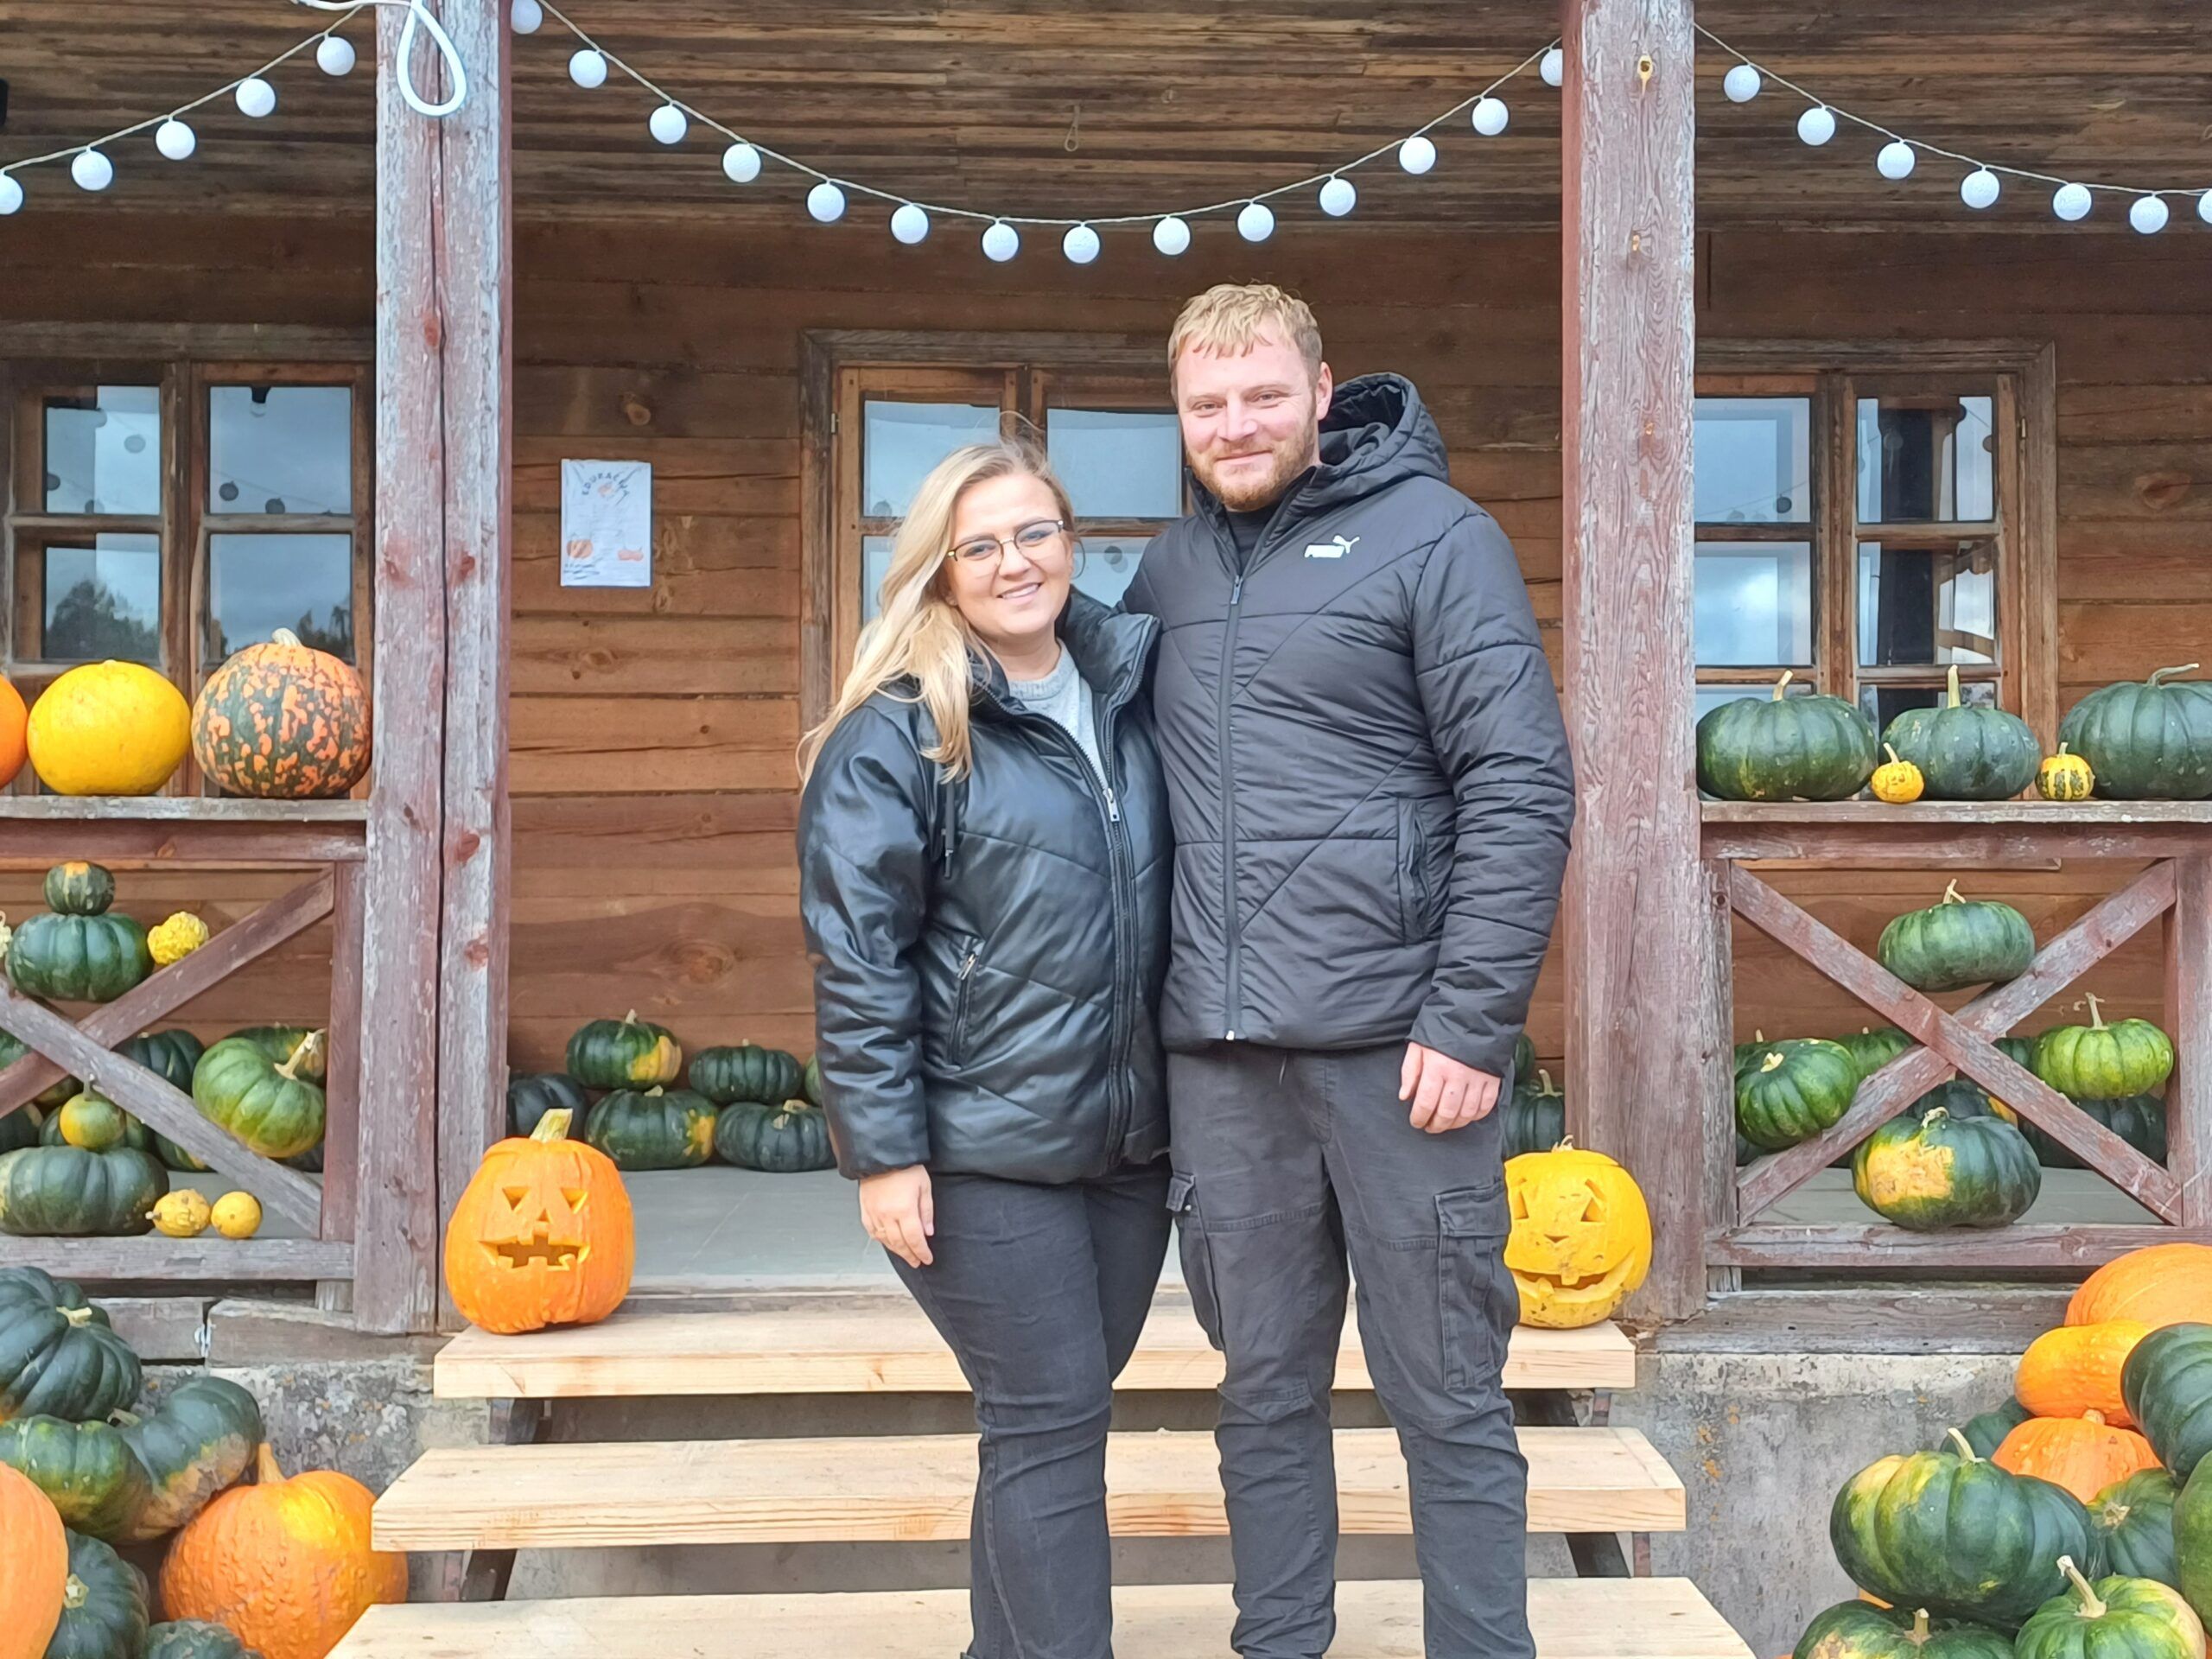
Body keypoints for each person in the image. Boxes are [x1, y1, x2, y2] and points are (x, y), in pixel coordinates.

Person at [1120, 283, 1576, 1659]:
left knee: (1447, 1393)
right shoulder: (1166, 577)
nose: (1235, 425)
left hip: (1404, 1058)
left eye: (1264, 395)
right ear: (1180, 415)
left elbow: (1520, 787)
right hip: (1223, 1066)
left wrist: (1473, 1022)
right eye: (1207, 404)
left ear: (1323, 392)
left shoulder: (1439, 538)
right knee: (1261, 1393)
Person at [798, 437, 1173, 1659]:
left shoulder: (1131, 696)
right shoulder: (896, 734)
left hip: (1123, 1150)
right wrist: (883, 1153)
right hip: (975, 1150)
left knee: (1042, 1426)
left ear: (1071, 543)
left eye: (1034, 533)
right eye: (980, 546)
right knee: (1052, 1418)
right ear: (940, 573)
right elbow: (859, 957)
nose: (1015, 563)